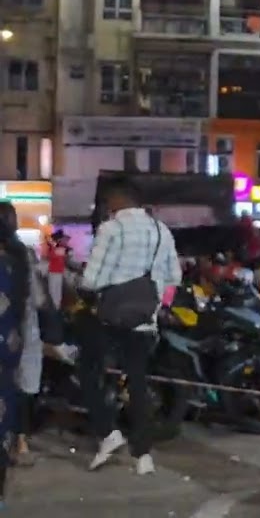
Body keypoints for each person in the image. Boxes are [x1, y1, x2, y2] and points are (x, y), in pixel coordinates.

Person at [78, 175, 182, 475]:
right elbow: (174, 276)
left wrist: (84, 286)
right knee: (138, 382)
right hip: (144, 320)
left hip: (109, 317)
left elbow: (91, 279)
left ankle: (108, 433)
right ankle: (143, 455)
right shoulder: (161, 231)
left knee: (87, 369)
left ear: (118, 200)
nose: (107, 207)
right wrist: (157, 303)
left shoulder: (111, 229)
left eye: (108, 202)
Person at [8, 204, 45, 469]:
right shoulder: (23, 254)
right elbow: (38, 298)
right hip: (21, 330)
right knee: (21, 388)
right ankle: (20, 443)